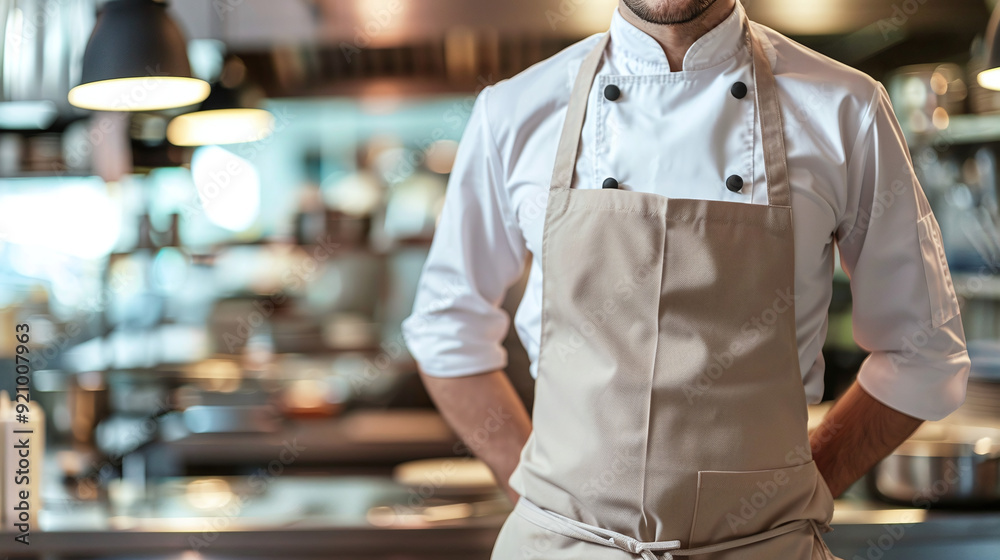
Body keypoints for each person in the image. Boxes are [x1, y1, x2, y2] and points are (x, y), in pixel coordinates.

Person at [402, 0, 970, 557]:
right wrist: (538, 500)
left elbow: (923, 351)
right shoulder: (513, 110)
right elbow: (446, 328)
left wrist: (794, 492)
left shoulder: (845, 107)